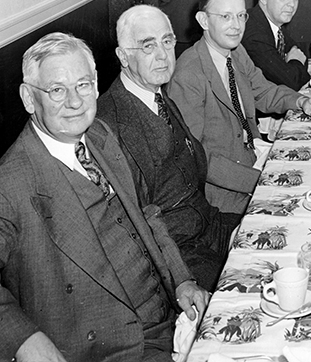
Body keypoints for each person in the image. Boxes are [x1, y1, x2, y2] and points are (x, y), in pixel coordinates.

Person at [1, 33, 208, 362]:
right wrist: (25, 339)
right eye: (57, 90)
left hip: (169, 316)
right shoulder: (11, 181)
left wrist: (182, 280)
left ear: (96, 85)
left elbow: (148, 213)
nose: (74, 101)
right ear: (29, 98)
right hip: (114, 346)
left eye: (82, 85)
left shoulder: (100, 134)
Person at [98, 5, 242, 290]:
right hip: (179, 256)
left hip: (210, 226)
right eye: (148, 46)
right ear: (123, 56)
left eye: (167, 41)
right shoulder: (108, 123)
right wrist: (182, 279)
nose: (163, 55)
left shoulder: (159, 96)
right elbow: (140, 222)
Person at [169, 0, 311, 214]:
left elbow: (261, 91)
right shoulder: (188, 74)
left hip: (253, 155)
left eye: (241, 16)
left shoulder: (235, 51)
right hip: (224, 189)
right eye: (226, 17)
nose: (236, 26)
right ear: (203, 21)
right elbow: (195, 156)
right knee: (303, 207)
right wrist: (256, 180)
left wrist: (299, 100)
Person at [242, 0, 310, 91]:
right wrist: (296, 62)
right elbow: (291, 83)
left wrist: (294, 63)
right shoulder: (253, 32)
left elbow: (298, 53)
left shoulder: (274, 23)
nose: (291, 4)